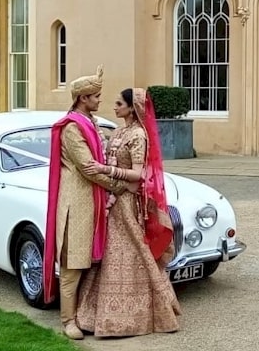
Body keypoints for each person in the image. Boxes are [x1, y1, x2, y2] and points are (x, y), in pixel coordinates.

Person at [75, 87, 181, 337]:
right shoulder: (120, 130)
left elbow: (138, 175)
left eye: (119, 103)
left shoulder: (138, 136)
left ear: (132, 108)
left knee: (132, 255)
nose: (114, 107)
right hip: (113, 200)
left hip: (126, 204)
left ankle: (136, 317)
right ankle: (99, 315)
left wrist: (105, 170)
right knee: (110, 256)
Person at [42, 67, 131, 340]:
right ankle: (68, 321)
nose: (100, 100)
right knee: (72, 267)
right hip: (77, 204)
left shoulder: (91, 121)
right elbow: (88, 168)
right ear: (83, 98)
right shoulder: (72, 127)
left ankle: (85, 315)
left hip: (93, 202)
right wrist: (122, 186)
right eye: (96, 96)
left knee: (90, 266)